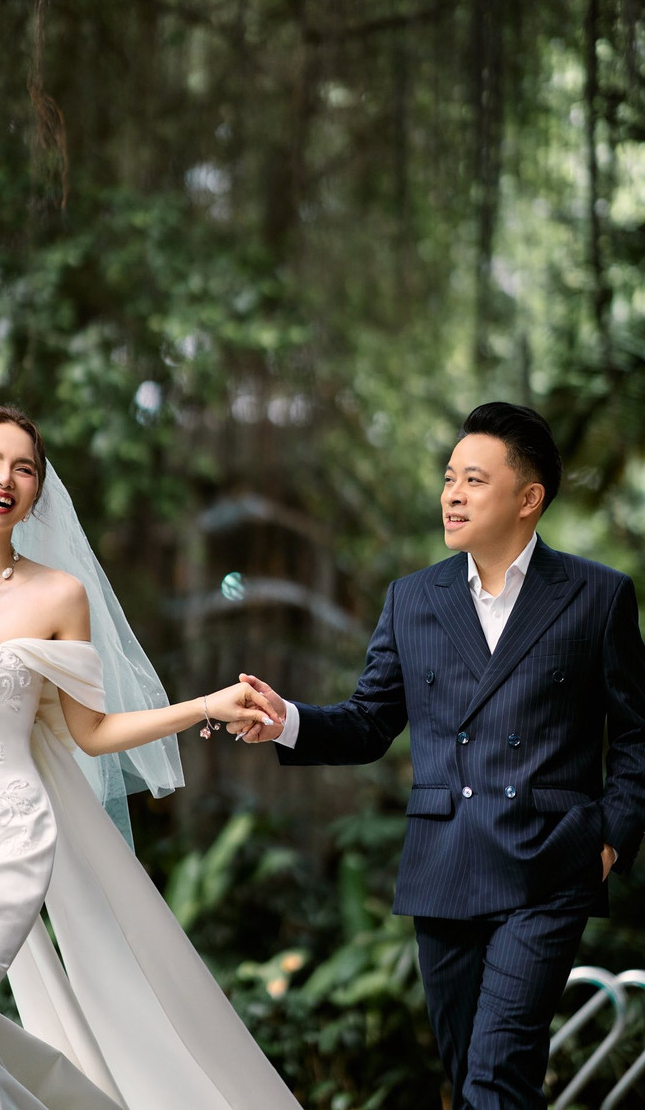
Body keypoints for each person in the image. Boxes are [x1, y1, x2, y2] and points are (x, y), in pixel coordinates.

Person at [0, 405, 302, 1110]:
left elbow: (91, 731)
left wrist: (204, 706)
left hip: (5, 841)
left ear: (37, 493)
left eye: (24, 468)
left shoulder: (60, 596)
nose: (6, 478)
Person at [230, 402, 645, 1110]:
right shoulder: (414, 599)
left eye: (474, 480)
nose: (452, 494)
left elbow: (637, 735)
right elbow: (369, 723)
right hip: (444, 865)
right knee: (476, 1078)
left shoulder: (597, 595)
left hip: (549, 866)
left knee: (495, 1075)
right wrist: (287, 721)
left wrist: (609, 838)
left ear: (528, 498)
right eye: (450, 477)